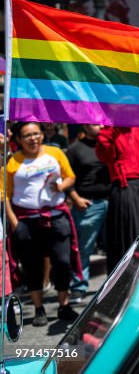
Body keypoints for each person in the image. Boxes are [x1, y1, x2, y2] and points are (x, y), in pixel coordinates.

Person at [6, 122, 80, 327]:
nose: (33, 138)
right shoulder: (13, 162)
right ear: (19, 139)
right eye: (27, 135)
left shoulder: (54, 153)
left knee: (63, 261)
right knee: (32, 265)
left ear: (42, 135)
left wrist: (61, 185)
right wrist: (15, 223)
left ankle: (64, 305)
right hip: (26, 221)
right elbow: (5, 196)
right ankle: (39, 309)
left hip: (56, 217)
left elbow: (70, 176)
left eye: (36, 134)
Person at [97, 126, 139, 268]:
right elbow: (103, 154)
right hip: (125, 188)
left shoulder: (138, 127)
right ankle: (126, 281)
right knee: (128, 239)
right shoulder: (108, 133)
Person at [65, 123, 110, 302]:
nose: (99, 125)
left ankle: (116, 285)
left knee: (116, 246)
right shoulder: (75, 149)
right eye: (94, 123)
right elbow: (66, 177)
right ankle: (78, 286)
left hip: (113, 200)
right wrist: (76, 198)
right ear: (85, 126)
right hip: (88, 204)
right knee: (83, 248)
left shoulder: (108, 144)